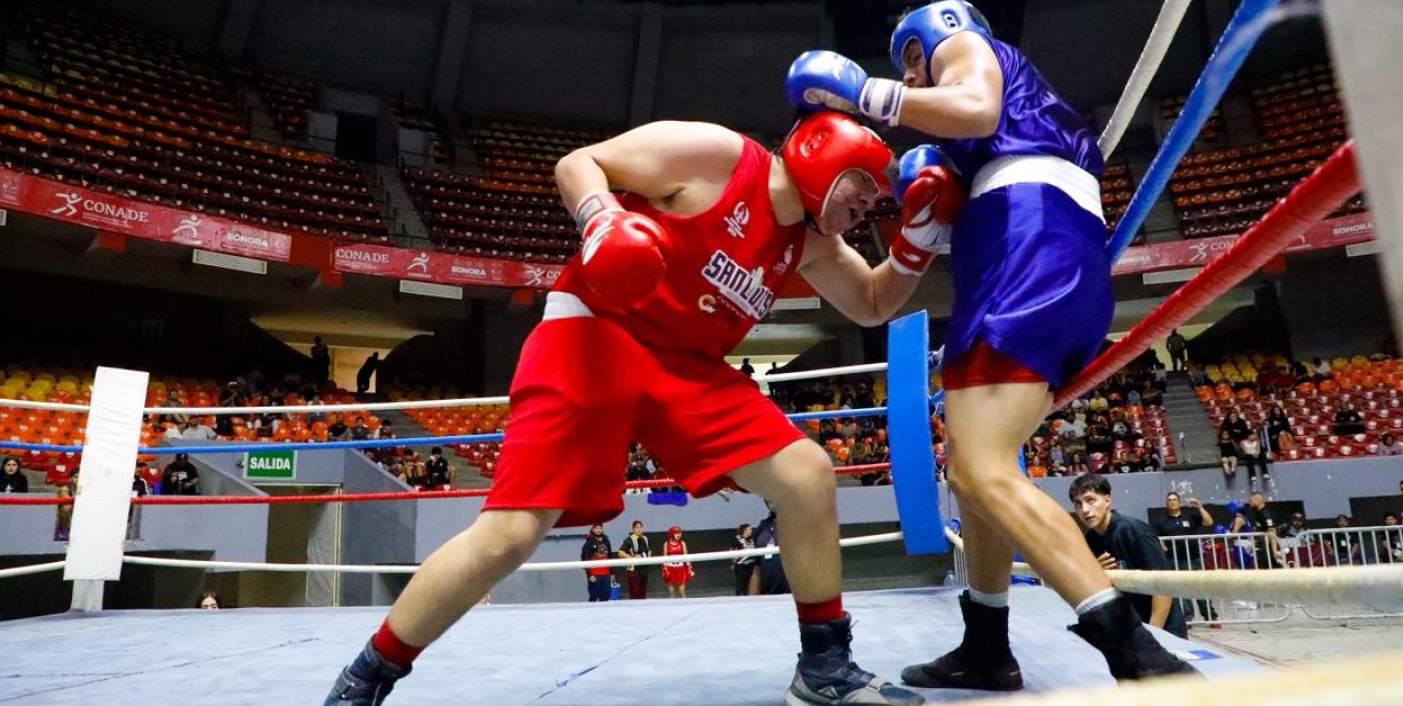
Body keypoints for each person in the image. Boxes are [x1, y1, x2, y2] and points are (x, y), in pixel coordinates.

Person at [325, 110, 950, 706]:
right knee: (511, 534)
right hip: (595, 330)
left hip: (686, 368)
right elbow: (581, 163)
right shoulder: (718, 156)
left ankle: (824, 668)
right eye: (861, 191)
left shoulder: (807, 242)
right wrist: (602, 221)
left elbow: (871, 303)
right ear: (825, 157)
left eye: (873, 205)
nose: (865, 209)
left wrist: (916, 244)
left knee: (806, 474)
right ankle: (369, 673)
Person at [786, 0, 1192, 689]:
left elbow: (972, 106)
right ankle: (986, 644)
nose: (915, 77)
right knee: (977, 472)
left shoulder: (967, 49)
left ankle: (1140, 654)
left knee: (980, 470)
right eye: (908, 70)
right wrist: (921, 228)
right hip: (1030, 253)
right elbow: (877, 297)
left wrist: (869, 92)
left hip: (1028, 244)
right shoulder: (979, 153)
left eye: (913, 60)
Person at [1069, 475, 1186, 639]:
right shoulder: (1090, 541)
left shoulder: (1134, 532)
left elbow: (1163, 587)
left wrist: (1153, 635)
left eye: (1090, 500)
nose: (1085, 509)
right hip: (1129, 631)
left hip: (1161, 629)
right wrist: (1095, 573)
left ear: (1107, 500)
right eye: (1078, 503)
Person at [1151, 492, 1214, 621]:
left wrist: (1199, 507)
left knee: (1200, 587)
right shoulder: (1161, 521)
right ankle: (1188, 617)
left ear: (1179, 502)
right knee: (1182, 589)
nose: (1172, 502)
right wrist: (1161, 544)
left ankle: (1210, 616)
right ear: (1166, 503)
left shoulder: (1189, 515)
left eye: (1174, 499)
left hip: (1194, 558)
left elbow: (1209, 522)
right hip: (1174, 559)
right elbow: (1154, 536)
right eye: (1169, 500)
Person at [616, 520, 651, 600]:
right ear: (633, 529)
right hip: (633, 569)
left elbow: (649, 550)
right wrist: (631, 558)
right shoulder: (629, 539)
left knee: (643, 591)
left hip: (644, 568)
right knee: (635, 592)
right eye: (637, 527)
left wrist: (648, 559)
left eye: (641, 527)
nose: (639, 529)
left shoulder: (645, 538)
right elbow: (620, 552)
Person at [660, 526, 694, 598]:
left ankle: (685, 606)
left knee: (682, 591)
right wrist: (664, 569)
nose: (679, 535)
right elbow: (664, 558)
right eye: (676, 533)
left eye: (680, 533)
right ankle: (671, 607)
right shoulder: (666, 544)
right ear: (672, 534)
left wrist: (689, 568)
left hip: (680, 568)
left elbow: (686, 557)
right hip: (670, 568)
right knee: (671, 592)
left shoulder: (682, 543)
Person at [733, 523, 758, 595]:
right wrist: (734, 562)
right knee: (740, 583)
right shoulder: (738, 539)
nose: (751, 531)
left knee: (747, 585)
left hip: (751, 564)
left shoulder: (751, 540)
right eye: (749, 529)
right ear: (745, 530)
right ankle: (737, 597)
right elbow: (732, 550)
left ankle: (746, 598)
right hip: (741, 565)